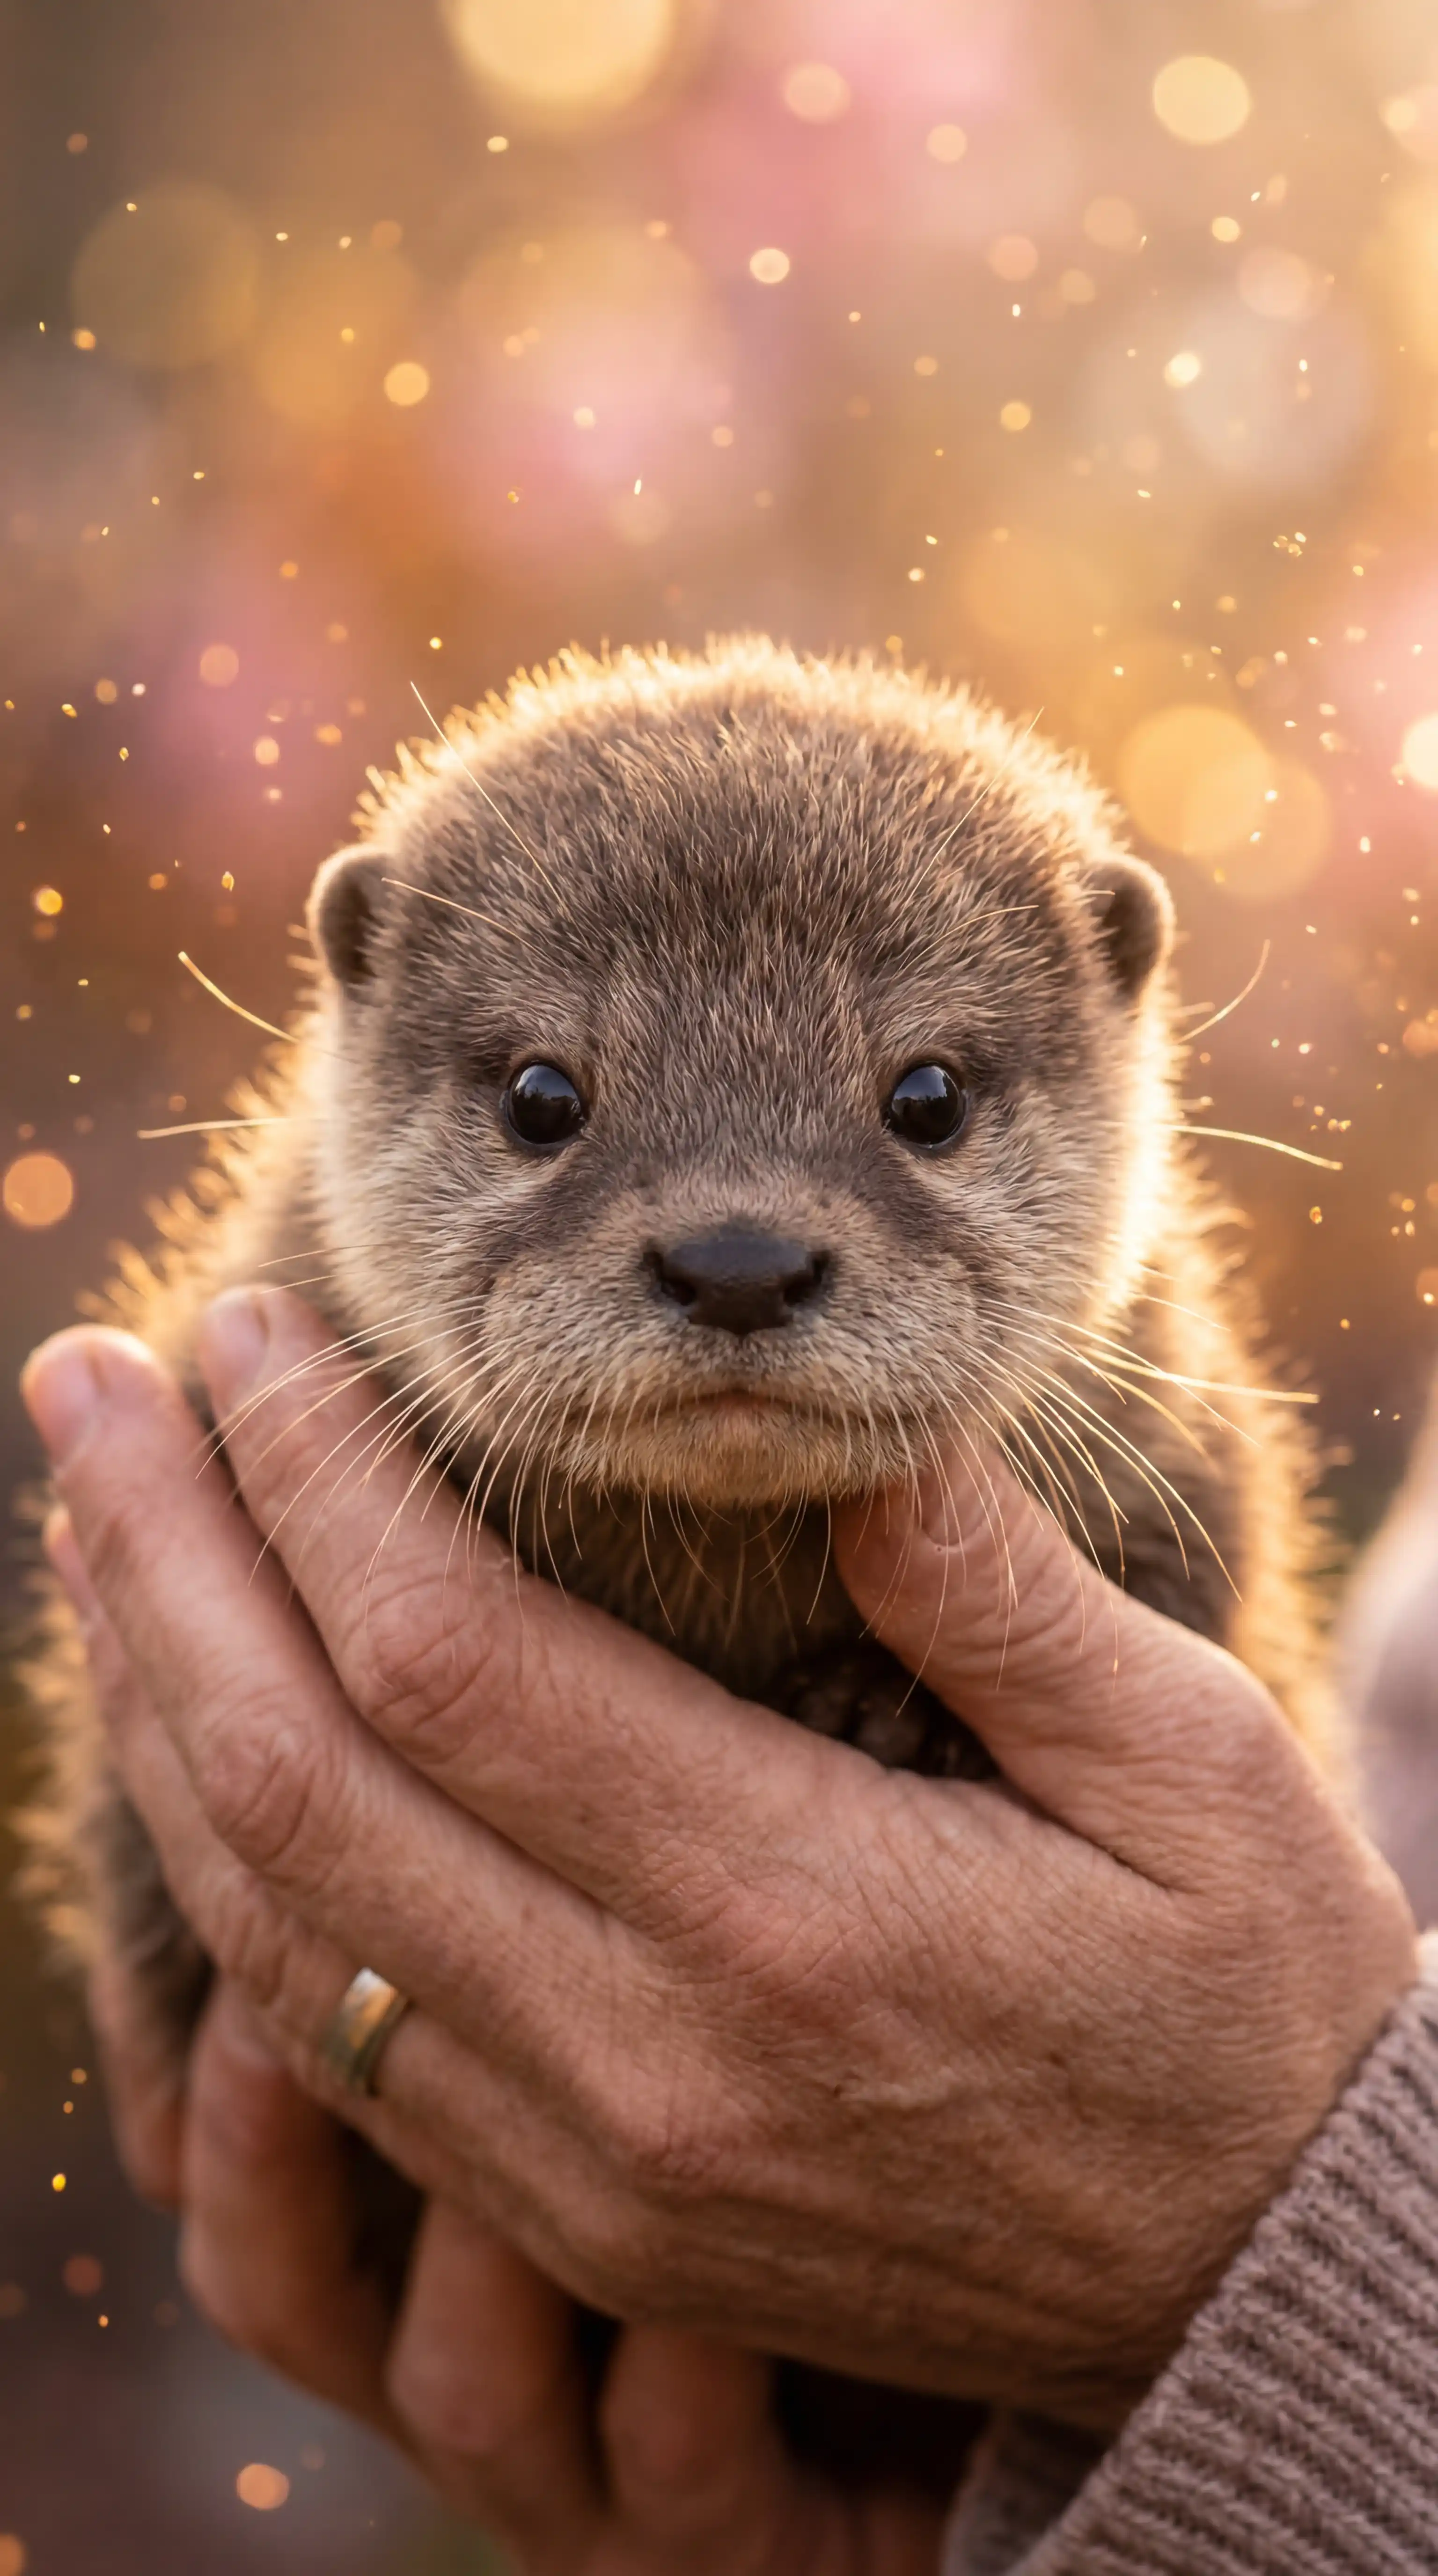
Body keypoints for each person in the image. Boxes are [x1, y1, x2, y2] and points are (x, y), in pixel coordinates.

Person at [20, 1288, 1438, 2575]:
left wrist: (1307, 2290)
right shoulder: (318, 1347)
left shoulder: (1134, 1417)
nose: (739, 1244)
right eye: (545, 1109)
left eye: (925, 1109)